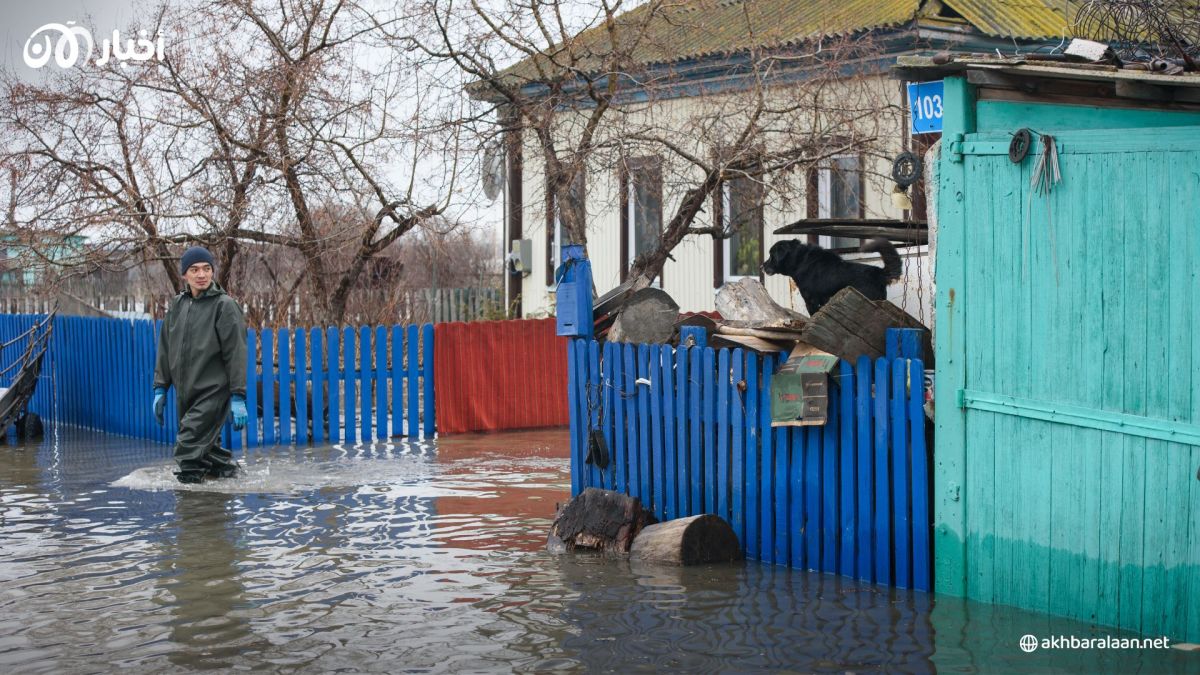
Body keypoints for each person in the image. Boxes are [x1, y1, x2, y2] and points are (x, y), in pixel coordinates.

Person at [153, 246, 248, 483]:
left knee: (187, 449)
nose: (201, 274)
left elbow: (236, 353)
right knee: (206, 451)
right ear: (185, 274)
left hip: (213, 391)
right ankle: (233, 481)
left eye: (206, 269)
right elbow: (166, 348)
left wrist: (237, 395)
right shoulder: (177, 305)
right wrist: (160, 388)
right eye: (194, 270)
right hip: (187, 392)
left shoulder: (224, 306)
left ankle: (193, 515)